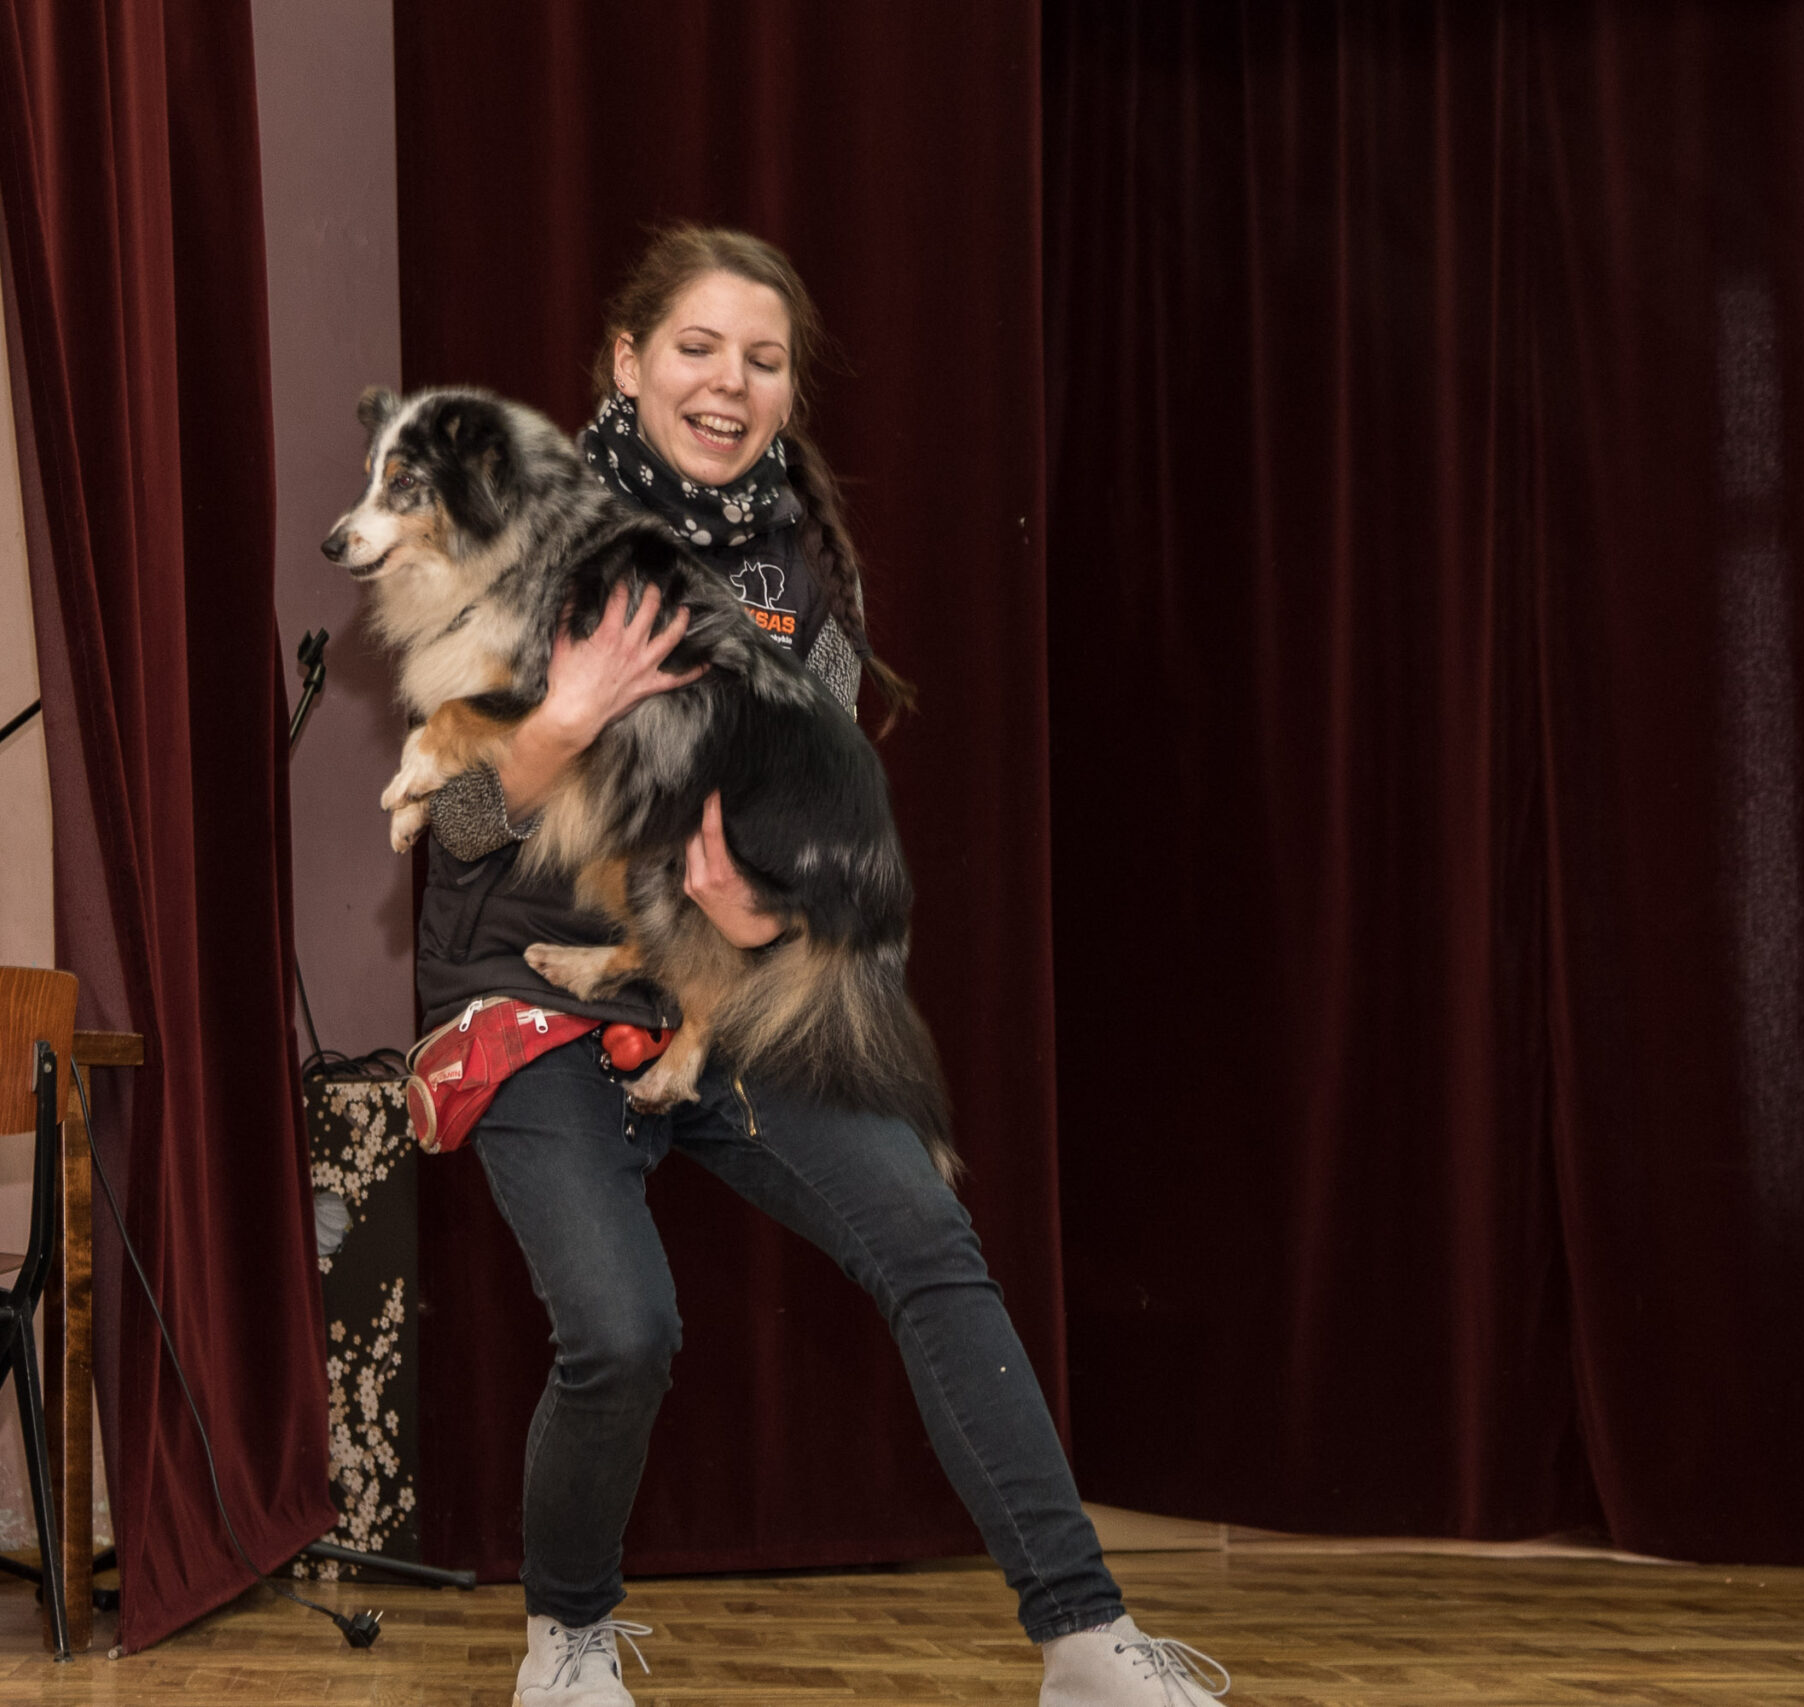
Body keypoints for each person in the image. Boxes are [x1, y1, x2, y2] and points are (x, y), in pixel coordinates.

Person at [413, 225, 1230, 1707]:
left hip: (729, 990)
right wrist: (565, 716)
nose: (729, 384)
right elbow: (455, 833)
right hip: (534, 988)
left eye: (764, 361)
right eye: (698, 349)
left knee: (928, 1239)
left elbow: (827, 807)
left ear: (790, 393)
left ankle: (1083, 1641)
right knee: (624, 1331)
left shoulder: (801, 568)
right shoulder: (522, 537)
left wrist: (771, 917)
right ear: (627, 362)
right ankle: (566, 1642)